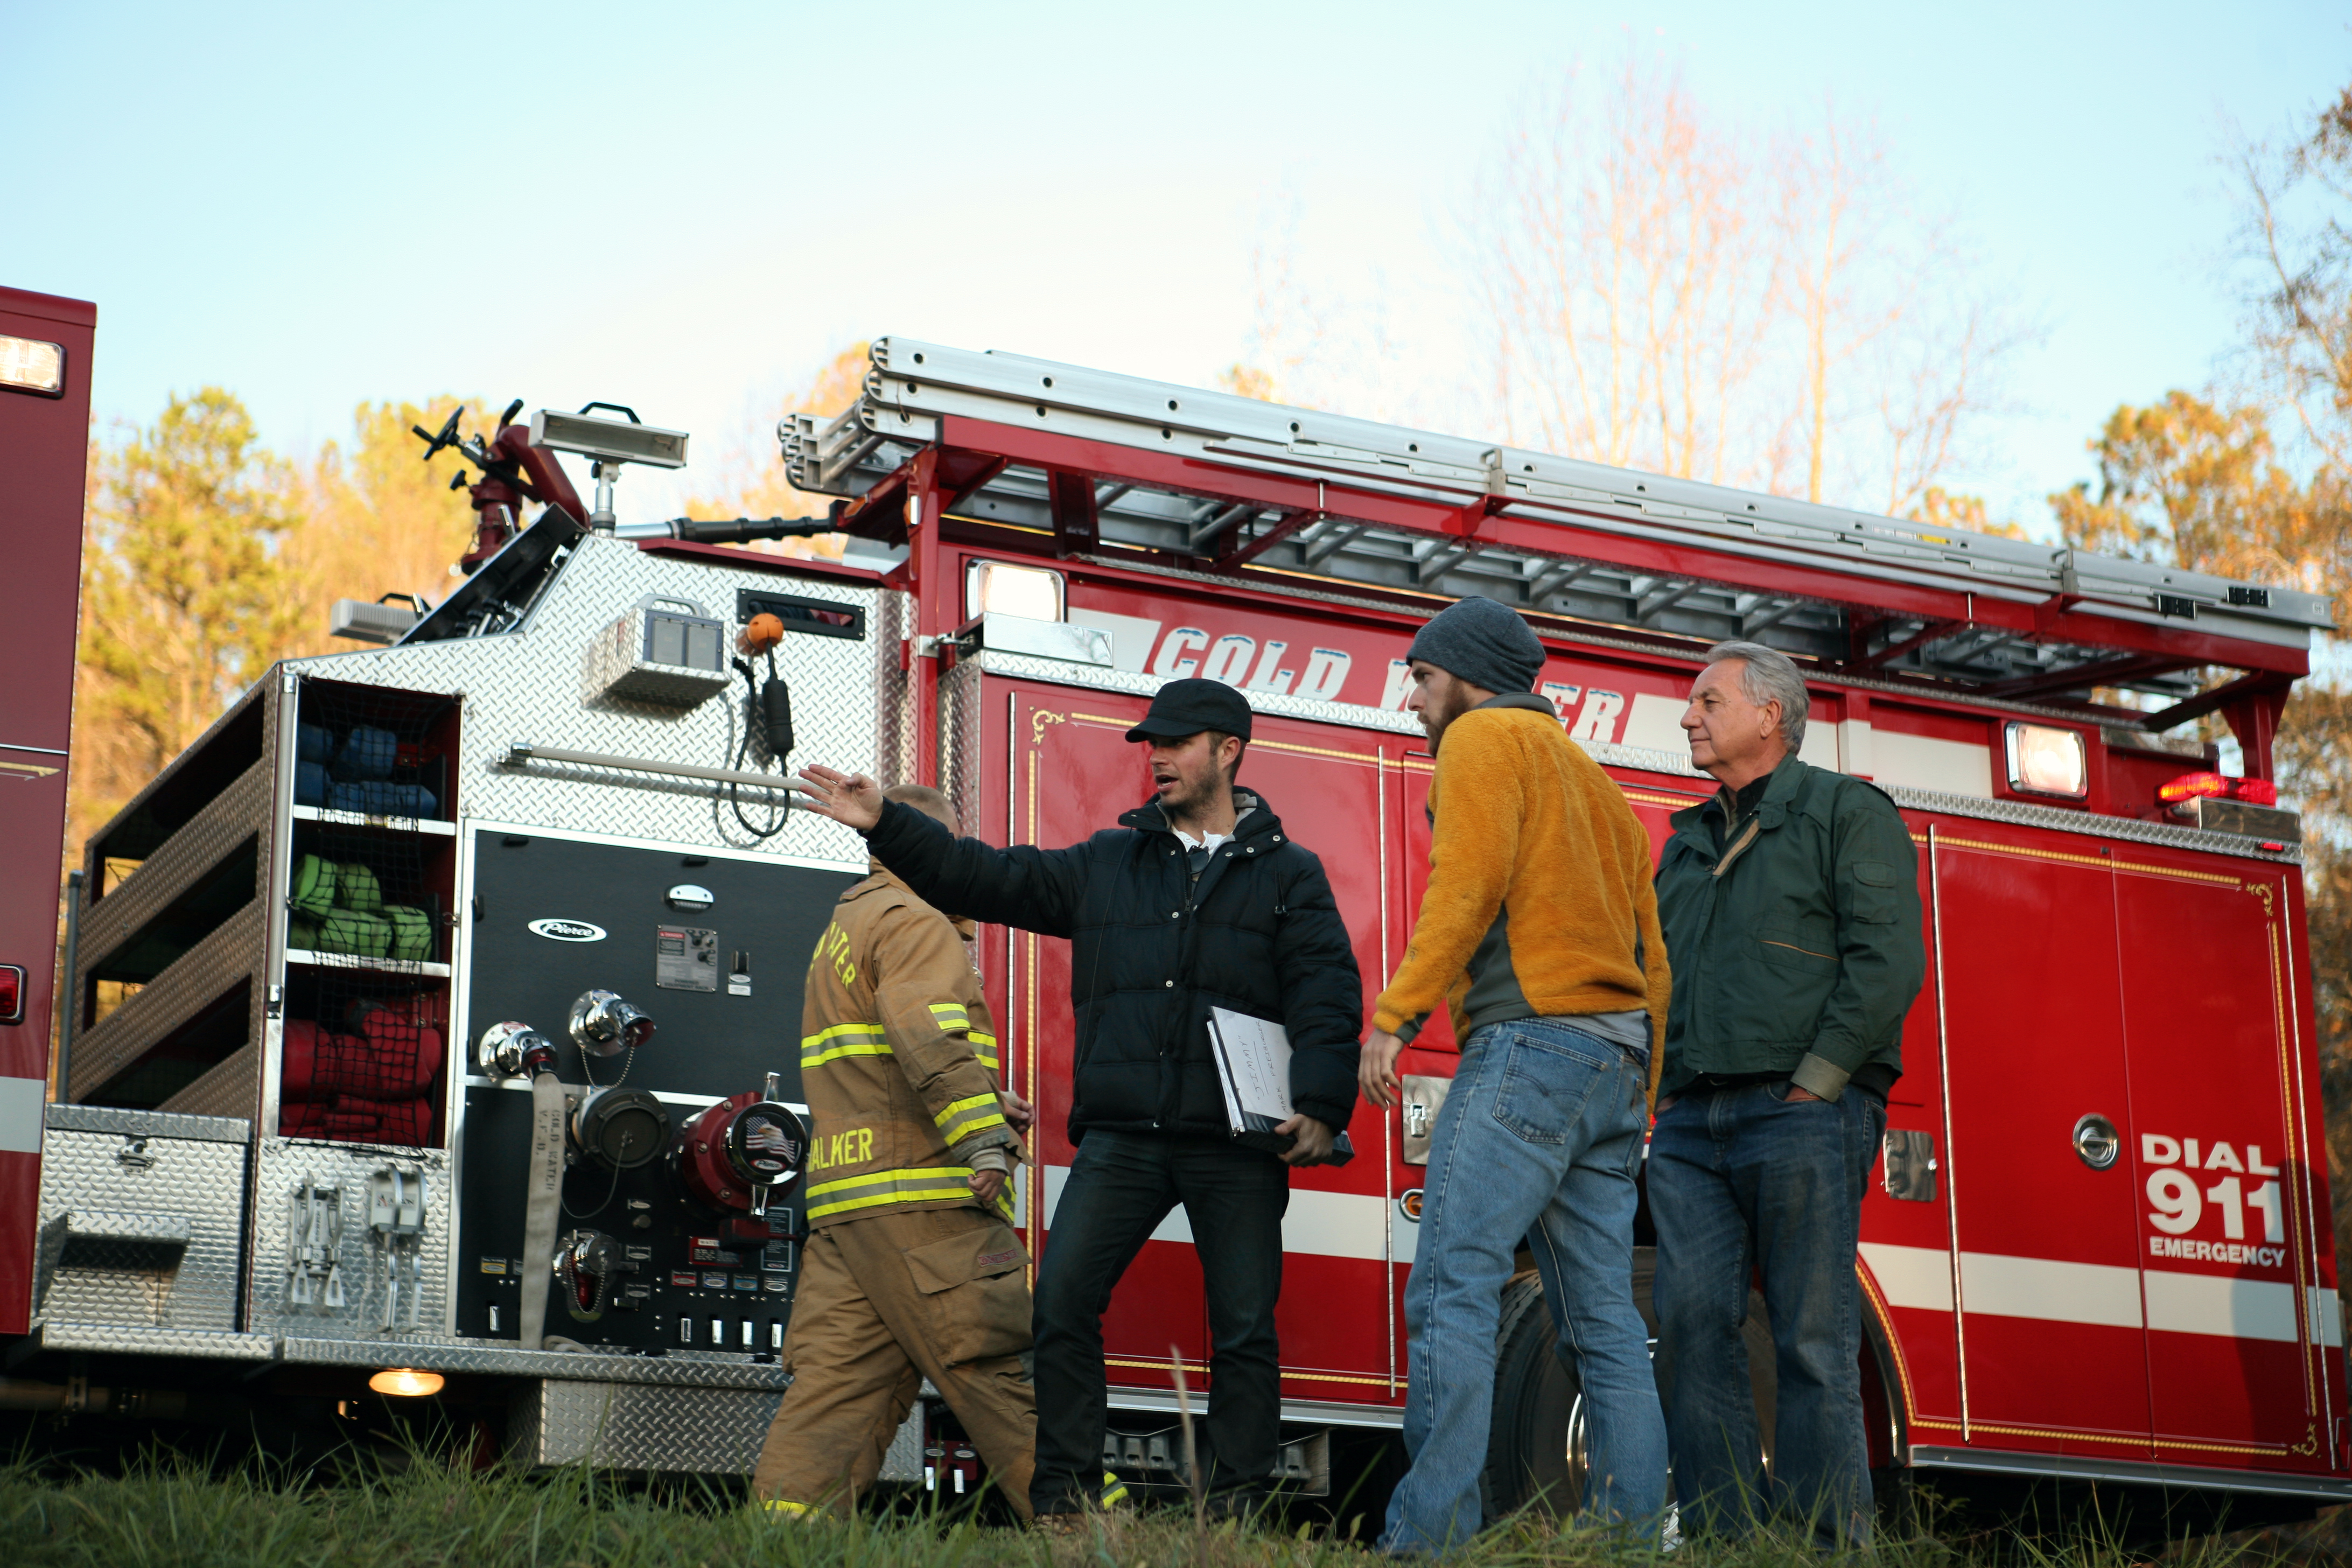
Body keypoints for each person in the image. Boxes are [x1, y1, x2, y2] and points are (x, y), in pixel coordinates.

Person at [796, 677, 1363, 1527]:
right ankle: (1063, 1499)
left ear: (1230, 751)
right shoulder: (1109, 861)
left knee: (1244, 1329)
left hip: (1234, 1148)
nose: (1156, 757)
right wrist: (887, 822)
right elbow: (981, 876)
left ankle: (1236, 1510)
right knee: (1060, 1303)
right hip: (1125, 1139)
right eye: (1150, 744)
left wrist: (1321, 1105)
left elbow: (1327, 995)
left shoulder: (1291, 876)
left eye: (1174, 743)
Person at [1357, 595, 1672, 1552]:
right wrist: (1639, 1098)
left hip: (1532, 1046)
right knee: (1605, 1320)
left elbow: (1467, 883)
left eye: (1420, 675)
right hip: (1614, 1064)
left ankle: (1428, 1539)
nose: (1412, 698)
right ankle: (1627, 1540)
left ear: (1468, 674)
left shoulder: (1484, 740)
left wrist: (1394, 1018)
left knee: (1455, 1282)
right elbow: (1654, 958)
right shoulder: (1598, 782)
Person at [1648, 641, 1924, 1548]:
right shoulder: (1684, 844)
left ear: (1771, 715)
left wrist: (1820, 1081)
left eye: (1708, 701)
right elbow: (1654, 978)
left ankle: (1823, 1547)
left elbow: (1888, 965)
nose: (1689, 716)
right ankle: (1729, 1542)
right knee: (1690, 1331)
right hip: (1689, 1127)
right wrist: (1658, 1095)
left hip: (1799, 1115)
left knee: (1812, 1340)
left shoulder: (1847, 812)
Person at [751, 785, 1039, 1519]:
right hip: (925, 1203)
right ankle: (1100, 1543)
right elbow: (929, 1039)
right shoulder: (918, 922)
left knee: (834, 1395)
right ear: (922, 847)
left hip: (850, 1210)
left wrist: (984, 1096)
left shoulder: (848, 927)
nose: (962, 864)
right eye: (950, 848)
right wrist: (983, 1137)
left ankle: (781, 1544)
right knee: (1001, 1388)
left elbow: (882, 1060)